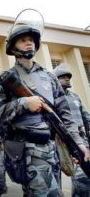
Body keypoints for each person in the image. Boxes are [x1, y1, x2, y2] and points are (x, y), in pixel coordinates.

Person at [0, 14, 90, 196]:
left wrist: (79, 144)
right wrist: (23, 103)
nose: (29, 43)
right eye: (23, 40)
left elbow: (65, 116)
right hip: (27, 150)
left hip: (52, 149)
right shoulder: (6, 79)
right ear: (13, 47)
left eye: (31, 40)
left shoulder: (50, 77)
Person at [53, 63, 90, 197]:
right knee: (54, 178)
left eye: (68, 76)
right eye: (63, 77)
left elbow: (86, 117)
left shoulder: (75, 97)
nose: (67, 79)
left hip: (80, 139)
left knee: (83, 177)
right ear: (56, 79)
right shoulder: (52, 97)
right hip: (59, 141)